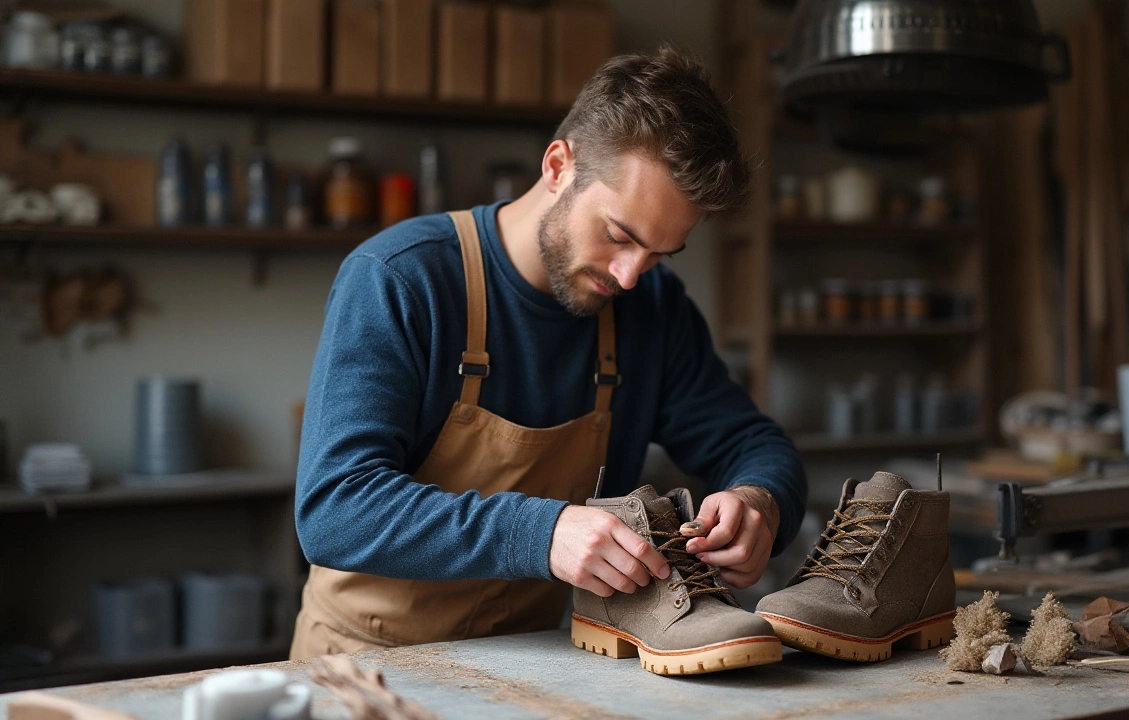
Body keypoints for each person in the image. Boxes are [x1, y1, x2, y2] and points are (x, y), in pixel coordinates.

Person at [290, 46, 806, 659]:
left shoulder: (652, 308)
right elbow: (334, 507)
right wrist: (544, 532)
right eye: (620, 235)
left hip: (530, 660)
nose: (631, 275)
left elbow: (755, 444)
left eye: (661, 254)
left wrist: (758, 502)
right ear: (559, 166)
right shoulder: (400, 279)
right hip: (363, 662)